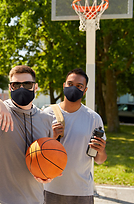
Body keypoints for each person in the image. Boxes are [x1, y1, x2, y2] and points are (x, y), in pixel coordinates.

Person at [0, 65, 60, 204]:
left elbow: (46, 157)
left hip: (37, 199)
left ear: (35, 87)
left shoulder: (46, 119)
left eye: (27, 84)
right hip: (5, 200)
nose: (21, 88)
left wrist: (49, 174)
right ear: (10, 88)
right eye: (16, 85)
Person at [43, 68, 107, 204]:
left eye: (79, 86)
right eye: (70, 84)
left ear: (85, 90)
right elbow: (37, 151)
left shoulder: (94, 118)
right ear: (64, 85)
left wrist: (101, 151)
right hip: (50, 188)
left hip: (81, 191)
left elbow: (100, 160)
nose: (74, 88)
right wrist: (52, 138)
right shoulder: (47, 114)